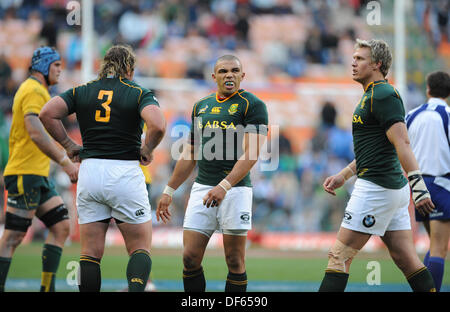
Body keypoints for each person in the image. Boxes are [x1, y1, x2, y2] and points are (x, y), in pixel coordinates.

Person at [39, 44, 166, 292]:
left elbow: (47, 113)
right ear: (129, 68)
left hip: (90, 172)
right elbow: (158, 125)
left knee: (90, 252)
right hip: (125, 172)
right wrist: (148, 149)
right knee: (140, 247)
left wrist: (68, 144)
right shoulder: (137, 92)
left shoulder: (84, 90)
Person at [319, 39, 436, 292]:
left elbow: (402, 142)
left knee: (339, 256)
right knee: (406, 259)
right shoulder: (372, 95)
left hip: (376, 189)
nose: (353, 62)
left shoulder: (383, 94)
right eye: (354, 57)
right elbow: (375, 148)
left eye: (360, 58)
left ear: (377, 64)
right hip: (387, 188)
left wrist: (419, 186)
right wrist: (345, 174)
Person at [157, 55, 268, 292]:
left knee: (235, 261)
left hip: (235, 190)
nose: (229, 75)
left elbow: (252, 153)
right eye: (224, 71)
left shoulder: (253, 105)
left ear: (242, 75)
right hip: (203, 188)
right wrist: (169, 190)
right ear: (214, 76)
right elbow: (191, 152)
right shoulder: (201, 106)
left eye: (235, 70)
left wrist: (224, 186)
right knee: (189, 258)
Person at [0, 46, 79, 292]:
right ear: (44, 66)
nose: (60, 69)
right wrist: (65, 161)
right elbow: (35, 132)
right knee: (13, 236)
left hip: (38, 176)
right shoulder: (33, 90)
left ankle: (47, 288)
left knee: (61, 226)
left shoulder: (39, 91)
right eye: (56, 65)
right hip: (25, 173)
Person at [405, 71, 450, 292]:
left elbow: (401, 147)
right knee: (440, 249)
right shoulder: (447, 115)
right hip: (442, 184)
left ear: (428, 89)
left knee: (434, 245)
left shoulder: (412, 115)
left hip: (418, 185)